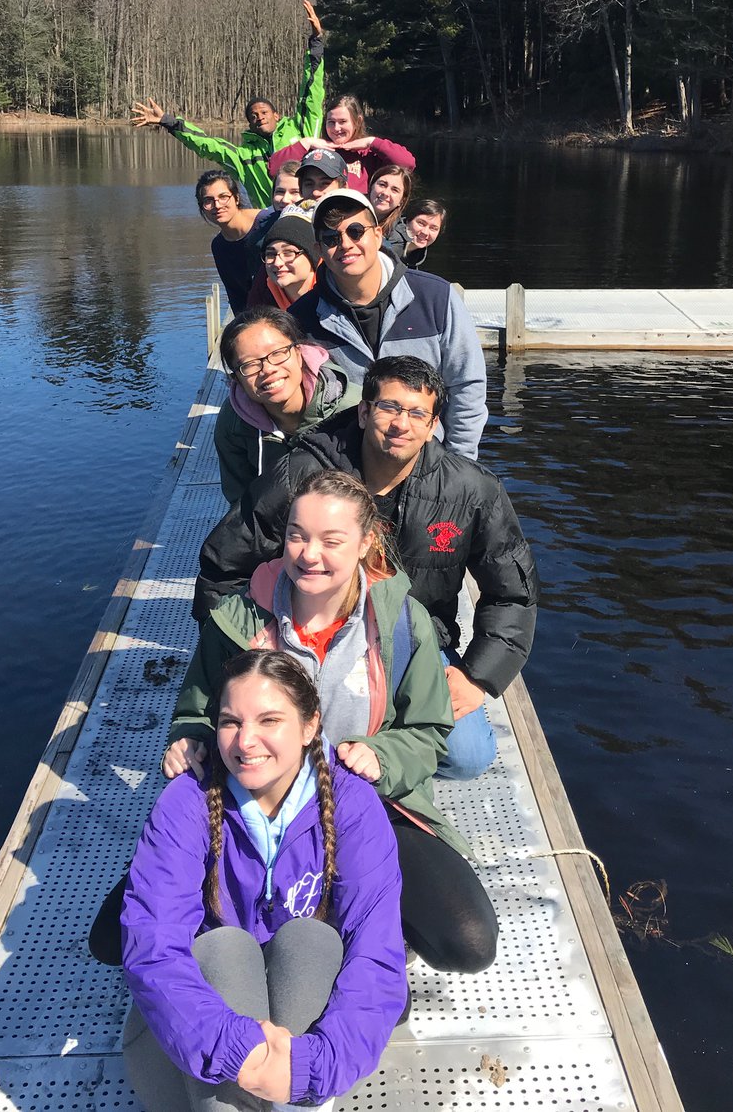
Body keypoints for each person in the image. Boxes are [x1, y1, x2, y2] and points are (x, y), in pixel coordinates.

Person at [166, 469, 499, 977]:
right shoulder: (237, 620)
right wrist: (189, 741)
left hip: (368, 805)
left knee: (468, 943)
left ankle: (362, 925)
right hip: (254, 807)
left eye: (332, 540)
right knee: (116, 935)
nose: (309, 554)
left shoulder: (403, 624)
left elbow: (429, 732)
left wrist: (382, 756)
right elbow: (197, 710)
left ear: (366, 542)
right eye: (297, 535)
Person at [194, 356, 539, 782]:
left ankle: (381, 743)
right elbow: (225, 559)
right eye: (389, 407)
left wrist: (478, 677)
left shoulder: (472, 491)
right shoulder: (305, 472)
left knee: (467, 757)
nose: (401, 424)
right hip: (307, 635)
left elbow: (512, 593)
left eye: (417, 413)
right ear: (363, 411)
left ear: (433, 425)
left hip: (415, 643)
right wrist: (234, 650)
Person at [121, 650, 407, 1112]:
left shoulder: (353, 805)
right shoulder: (186, 802)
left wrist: (312, 1068)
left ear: (310, 726)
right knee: (223, 947)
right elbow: (153, 943)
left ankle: (298, 1101)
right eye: (231, 722)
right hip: (195, 1033)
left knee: (314, 941)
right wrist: (243, 1053)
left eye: (269, 720)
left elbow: (377, 952)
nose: (245, 741)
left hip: (300, 1008)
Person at [288, 190, 488, 459]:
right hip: (344, 466)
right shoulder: (301, 319)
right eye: (331, 238)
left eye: (356, 231)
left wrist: (459, 462)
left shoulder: (437, 297)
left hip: (429, 459)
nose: (346, 244)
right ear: (319, 250)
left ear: (378, 234)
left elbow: (467, 384)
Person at [131, 1, 325, 208]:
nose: (259, 116)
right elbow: (206, 144)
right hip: (272, 225)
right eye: (253, 115)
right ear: (249, 124)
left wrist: (316, 42)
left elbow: (311, 91)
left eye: (264, 112)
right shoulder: (244, 158)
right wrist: (167, 121)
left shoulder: (302, 130)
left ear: (277, 115)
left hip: (311, 217)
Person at [214, 309, 360, 506]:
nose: (268, 369)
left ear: (299, 353)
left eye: (277, 353)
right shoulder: (233, 422)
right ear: (236, 379)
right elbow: (240, 499)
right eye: (249, 364)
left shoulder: (354, 408)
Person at [271, 95, 415, 195]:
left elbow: (407, 164)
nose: (336, 128)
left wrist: (371, 142)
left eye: (343, 122)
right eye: (331, 122)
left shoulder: (369, 155)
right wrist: (305, 142)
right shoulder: (314, 153)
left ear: (357, 121)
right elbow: (274, 169)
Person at [197, 170, 263, 316]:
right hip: (256, 319)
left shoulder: (265, 223)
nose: (217, 205)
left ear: (237, 198)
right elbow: (236, 296)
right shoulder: (219, 246)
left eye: (223, 197)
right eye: (208, 200)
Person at [245, 215, 319, 311]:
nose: (277, 263)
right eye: (271, 254)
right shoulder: (262, 294)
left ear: (311, 255)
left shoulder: (333, 290)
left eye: (288, 253)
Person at [368, 164, 414, 262]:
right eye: (382, 185)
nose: (385, 193)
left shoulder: (397, 239)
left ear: (402, 200)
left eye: (395, 190)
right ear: (371, 186)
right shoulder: (347, 210)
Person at [400, 197, 446, 270]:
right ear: (408, 221)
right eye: (421, 223)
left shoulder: (416, 256)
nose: (425, 232)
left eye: (433, 228)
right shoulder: (389, 244)